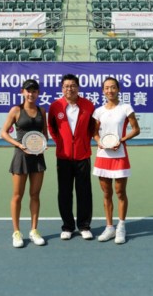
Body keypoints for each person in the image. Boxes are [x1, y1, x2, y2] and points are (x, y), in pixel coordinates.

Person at [1, 79, 48, 248]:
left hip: (37, 158)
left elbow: (45, 134)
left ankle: (34, 230)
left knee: (35, 195)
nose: (31, 94)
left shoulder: (42, 111)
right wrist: (19, 144)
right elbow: (3, 133)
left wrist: (43, 145)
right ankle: (16, 232)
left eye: (34, 91)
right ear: (22, 92)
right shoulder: (16, 110)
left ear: (38, 93)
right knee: (17, 196)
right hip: (21, 157)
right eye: (28, 91)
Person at [92, 77, 140, 244]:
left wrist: (122, 139)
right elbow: (95, 132)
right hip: (103, 156)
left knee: (120, 192)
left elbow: (136, 129)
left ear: (118, 89)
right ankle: (109, 227)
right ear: (103, 91)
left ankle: (121, 226)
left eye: (113, 87)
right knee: (106, 193)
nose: (110, 90)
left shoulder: (126, 108)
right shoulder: (98, 111)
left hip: (119, 155)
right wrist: (100, 142)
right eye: (106, 88)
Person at [48, 74, 95, 241]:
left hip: (83, 155)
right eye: (66, 86)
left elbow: (92, 128)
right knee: (65, 192)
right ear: (62, 89)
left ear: (78, 87)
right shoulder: (55, 106)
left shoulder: (89, 105)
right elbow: (51, 128)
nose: (70, 88)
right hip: (64, 156)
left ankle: (84, 226)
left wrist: (84, 142)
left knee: (84, 192)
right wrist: (60, 143)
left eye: (73, 85)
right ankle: (67, 226)